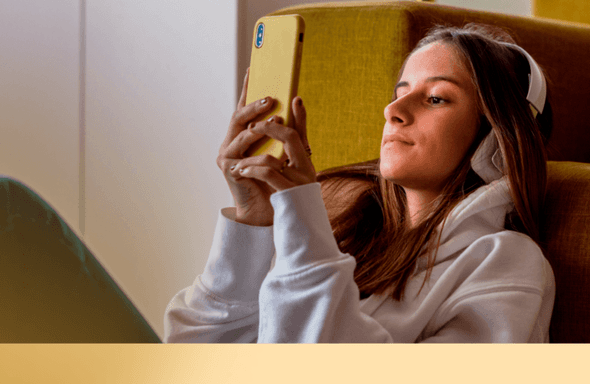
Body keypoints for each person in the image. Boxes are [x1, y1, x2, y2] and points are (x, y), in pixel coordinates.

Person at [163, 23, 556, 343]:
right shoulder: (343, 233)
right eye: (399, 94)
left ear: (498, 141)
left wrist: (304, 229)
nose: (393, 110)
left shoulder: (507, 263)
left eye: (436, 98)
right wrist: (252, 226)